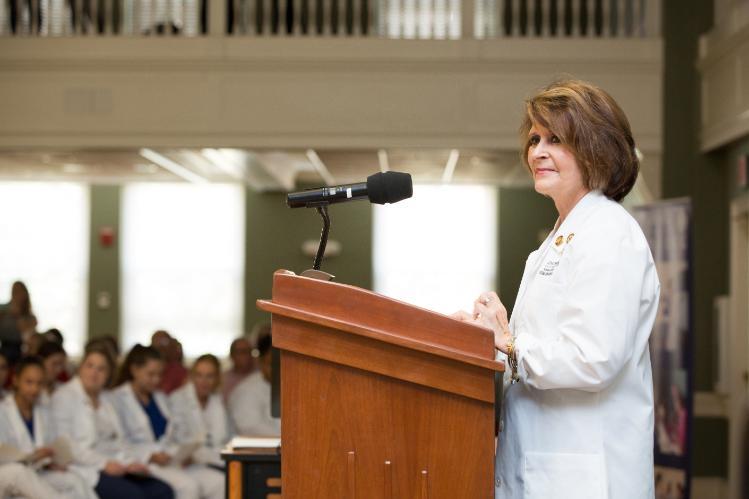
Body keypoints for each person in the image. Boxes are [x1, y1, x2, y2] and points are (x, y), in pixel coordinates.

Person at [452, 80, 660, 499]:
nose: (537, 152)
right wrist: (490, 335)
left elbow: (592, 358)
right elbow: (541, 346)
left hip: (585, 477)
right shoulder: (559, 239)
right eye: (534, 138)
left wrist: (507, 343)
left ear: (595, 148)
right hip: (546, 468)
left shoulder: (608, 233)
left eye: (556, 139)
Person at [52, 345, 175, 499]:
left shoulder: (108, 399)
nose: (94, 373)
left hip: (117, 463)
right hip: (85, 467)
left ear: (108, 374)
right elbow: (68, 446)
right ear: (80, 368)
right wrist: (104, 464)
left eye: (101, 369)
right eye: (90, 366)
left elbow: (120, 440)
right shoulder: (64, 397)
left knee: (162, 490)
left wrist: (130, 462)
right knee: (133, 495)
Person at [110, 344, 224, 499]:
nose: (156, 380)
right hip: (143, 462)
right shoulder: (117, 400)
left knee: (219, 483)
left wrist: (183, 451)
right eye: (150, 374)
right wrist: (149, 455)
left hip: (171, 459)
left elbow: (174, 432)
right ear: (134, 370)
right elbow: (117, 441)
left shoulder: (160, 398)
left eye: (159, 375)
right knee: (189, 487)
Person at [0, 356, 97, 499]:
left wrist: (51, 460)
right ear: (15, 380)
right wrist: (32, 456)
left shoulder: (43, 411)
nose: (34, 389)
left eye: (39, 383)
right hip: (8, 474)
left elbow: (50, 445)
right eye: (29, 382)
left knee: (73, 480)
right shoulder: (3, 411)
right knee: (18, 472)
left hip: (36, 472)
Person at [169, 354, 232, 467]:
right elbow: (181, 442)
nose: (204, 381)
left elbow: (226, 438)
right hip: (185, 464)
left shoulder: (217, 400)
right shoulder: (177, 399)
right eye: (199, 375)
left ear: (217, 378)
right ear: (192, 376)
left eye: (210, 376)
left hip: (213, 459)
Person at [228, 333, 280, 437]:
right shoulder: (246, 390)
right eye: (271, 364)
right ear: (261, 362)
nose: (277, 369)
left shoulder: (285, 386)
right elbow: (250, 428)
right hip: (254, 449)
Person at [0, 281, 34, 366]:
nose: (17, 294)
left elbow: (28, 338)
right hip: (5, 349)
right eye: (15, 291)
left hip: (21, 351)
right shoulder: (3, 310)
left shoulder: (30, 317)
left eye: (20, 291)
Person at [221, 336, 254, 402]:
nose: (245, 355)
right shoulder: (223, 379)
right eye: (241, 352)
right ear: (231, 355)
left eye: (248, 351)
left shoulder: (260, 376)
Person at [38, 340, 67, 404]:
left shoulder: (64, 389)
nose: (58, 369)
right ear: (41, 361)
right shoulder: (33, 391)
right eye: (54, 364)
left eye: (61, 364)